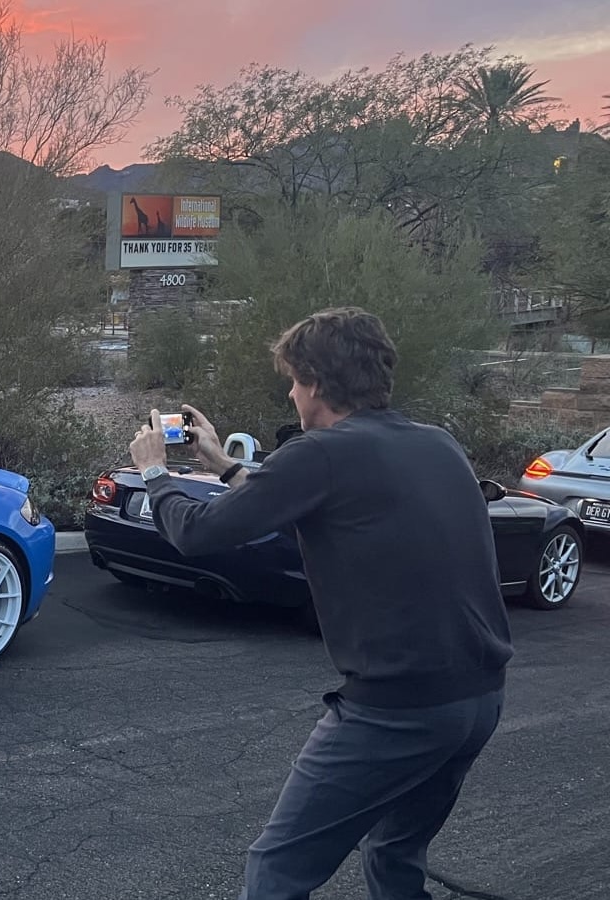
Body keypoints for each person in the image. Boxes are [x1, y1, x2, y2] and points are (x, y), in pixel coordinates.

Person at [126, 306, 513, 900]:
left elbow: (198, 534)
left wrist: (155, 475)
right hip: (478, 700)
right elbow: (317, 507)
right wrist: (224, 464)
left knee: (276, 869)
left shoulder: (322, 454)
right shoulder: (437, 445)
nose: (289, 391)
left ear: (317, 384)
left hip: (395, 710)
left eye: (294, 379)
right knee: (394, 851)